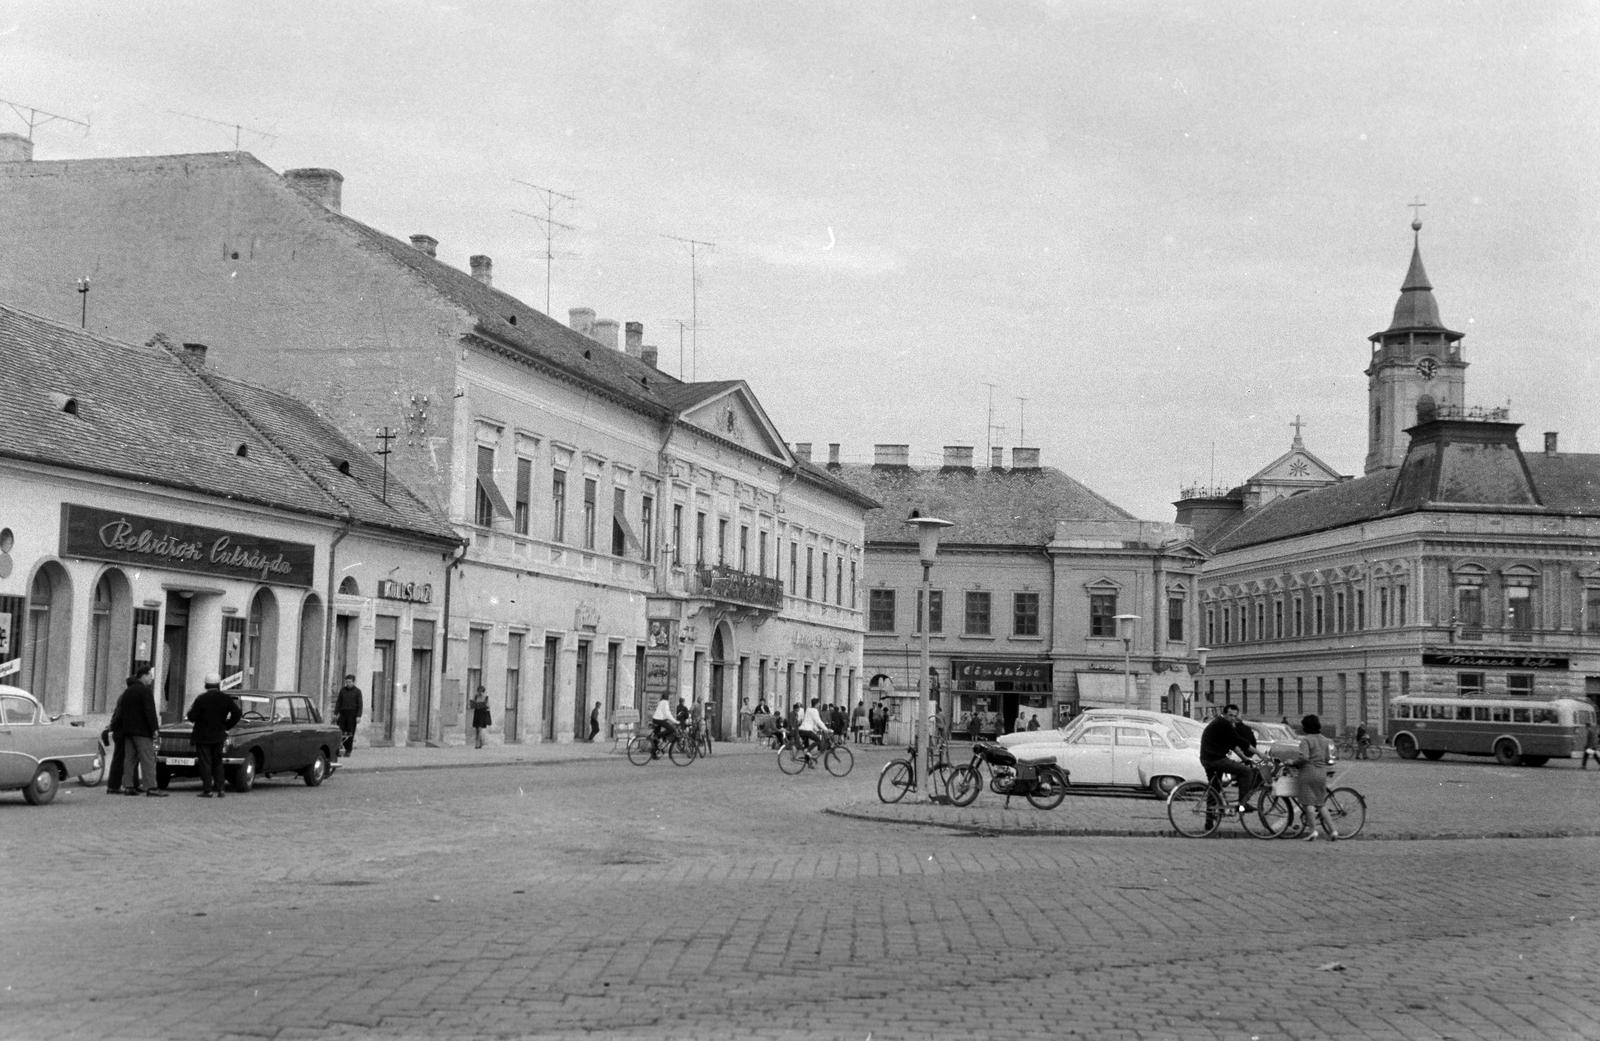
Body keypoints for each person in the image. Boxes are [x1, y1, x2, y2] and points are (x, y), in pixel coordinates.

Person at [1199, 704, 1259, 824]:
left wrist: (1244, 758)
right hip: (1215, 759)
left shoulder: (1220, 723)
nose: (1232, 718)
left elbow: (1232, 744)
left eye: (1234, 716)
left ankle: (1209, 821)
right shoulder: (1223, 723)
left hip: (1208, 758)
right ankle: (1243, 804)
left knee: (1215, 788)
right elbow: (1239, 741)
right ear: (1225, 714)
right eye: (1230, 715)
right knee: (1246, 772)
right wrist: (1261, 754)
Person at [187, 672, 242, 798]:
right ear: (218, 685)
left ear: (206, 684)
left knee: (205, 763)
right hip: (218, 735)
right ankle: (221, 789)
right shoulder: (225, 698)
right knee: (218, 762)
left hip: (203, 736)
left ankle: (208, 790)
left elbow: (192, 716)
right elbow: (237, 713)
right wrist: (227, 725)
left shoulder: (201, 699)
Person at [114, 665, 165, 797]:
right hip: (142, 731)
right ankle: (151, 787)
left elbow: (122, 711)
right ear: (144, 675)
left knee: (129, 759)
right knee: (148, 759)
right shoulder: (145, 691)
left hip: (128, 731)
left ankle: (128, 786)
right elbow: (150, 711)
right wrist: (154, 729)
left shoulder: (128, 691)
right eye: (150, 676)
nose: (151, 679)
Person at [1291, 714, 1339, 841]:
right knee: (1320, 803)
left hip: (1308, 772)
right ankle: (1333, 831)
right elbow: (1328, 758)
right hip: (1321, 773)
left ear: (1306, 727)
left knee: (1308, 803)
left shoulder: (1306, 740)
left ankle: (1313, 831)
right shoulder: (1325, 740)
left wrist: (1293, 763)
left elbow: (1304, 758)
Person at [334, 673, 363, 756]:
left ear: (353, 682)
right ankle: (339, 749)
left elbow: (360, 704)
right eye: (346, 682)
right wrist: (336, 713)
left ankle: (348, 750)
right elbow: (338, 702)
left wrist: (358, 716)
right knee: (340, 732)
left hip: (352, 714)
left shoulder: (357, 691)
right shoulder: (342, 690)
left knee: (350, 733)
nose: (348, 684)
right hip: (343, 714)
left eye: (350, 682)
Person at [650, 692, 677, 757]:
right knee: (672, 729)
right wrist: (675, 721)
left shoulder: (661, 702)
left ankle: (654, 753)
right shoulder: (665, 702)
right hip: (659, 720)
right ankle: (660, 737)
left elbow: (663, 713)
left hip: (656, 719)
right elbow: (667, 714)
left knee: (657, 735)